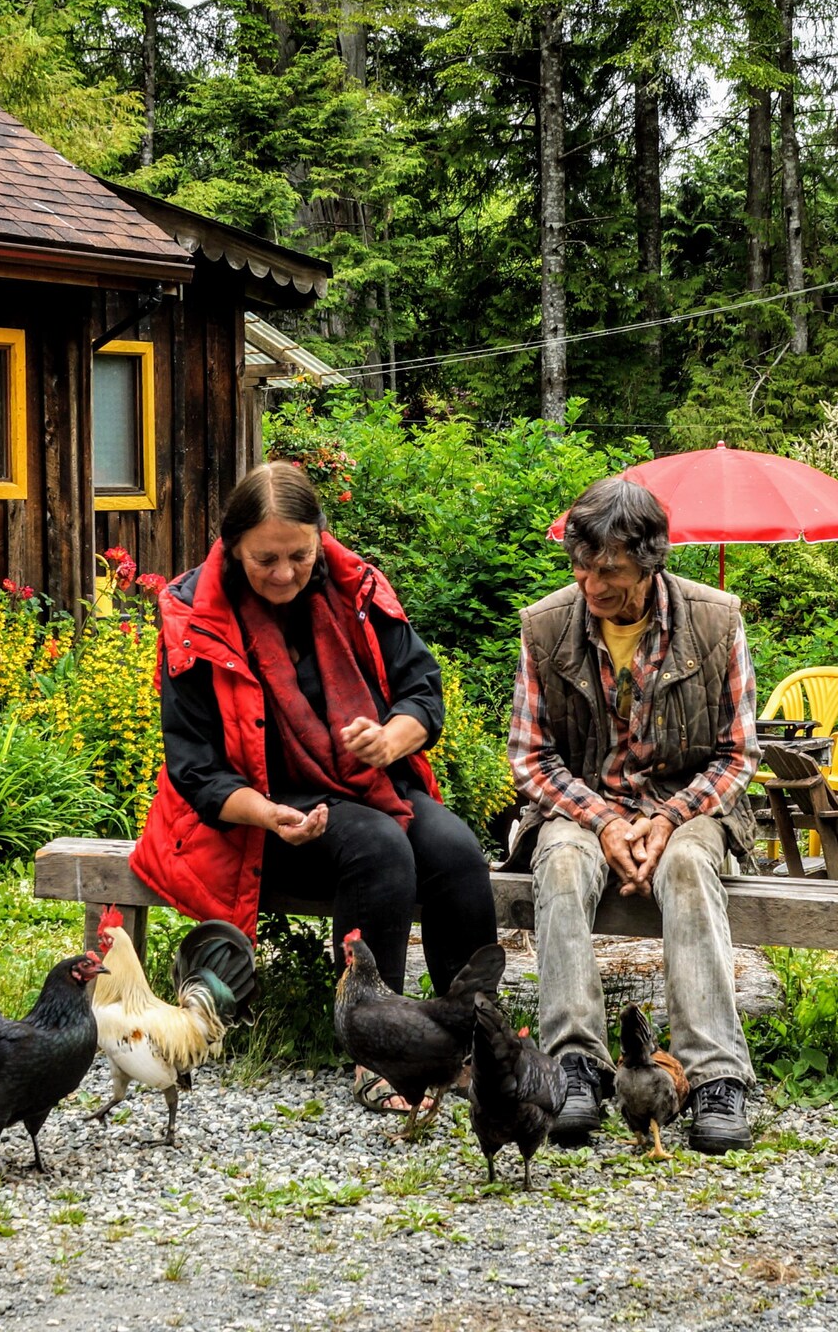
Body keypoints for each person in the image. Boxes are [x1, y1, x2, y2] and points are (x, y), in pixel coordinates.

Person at [131, 460, 498, 1113]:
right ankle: (378, 1057)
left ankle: (464, 1043)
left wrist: (391, 739)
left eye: (299, 556)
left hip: (366, 781)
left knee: (458, 852)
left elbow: (422, 691)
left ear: (319, 540)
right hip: (251, 812)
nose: (282, 573)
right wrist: (269, 815)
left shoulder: (355, 588)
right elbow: (196, 769)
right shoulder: (194, 614)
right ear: (231, 545)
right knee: (379, 846)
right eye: (263, 559)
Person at [505, 477, 760, 1154]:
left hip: (689, 804)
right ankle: (575, 1068)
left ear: (652, 561)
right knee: (559, 863)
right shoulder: (545, 625)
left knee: (683, 869)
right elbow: (531, 759)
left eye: (610, 570)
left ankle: (712, 1077)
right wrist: (606, 823)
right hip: (584, 805)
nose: (591, 586)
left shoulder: (716, 621)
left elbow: (738, 755)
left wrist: (668, 818)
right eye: (581, 567)